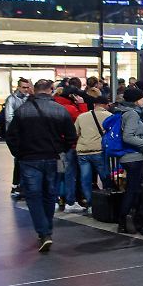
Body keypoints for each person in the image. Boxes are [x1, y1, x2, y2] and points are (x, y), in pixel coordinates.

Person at [6, 79, 76, 252]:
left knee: (33, 196)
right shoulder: (60, 110)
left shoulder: (23, 110)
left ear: (34, 91)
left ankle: (44, 232)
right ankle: (46, 230)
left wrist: (19, 153)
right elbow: (71, 137)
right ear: (51, 90)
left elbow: (11, 136)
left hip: (29, 159)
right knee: (49, 194)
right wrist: (61, 149)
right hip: (53, 157)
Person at [112, 87, 143, 234]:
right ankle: (125, 220)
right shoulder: (132, 114)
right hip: (133, 157)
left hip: (127, 157)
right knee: (133, 190)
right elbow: (128, 136)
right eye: (141, 98)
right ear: (135, 100)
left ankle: (126, 219)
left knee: (132, 189)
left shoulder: (122, 111)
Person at [53, 79, 89, 210]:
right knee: (70, 173)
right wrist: (82, 104)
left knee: (60, 172)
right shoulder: (71, 109)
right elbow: (84, 120)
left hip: (57, 146)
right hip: (69, 146)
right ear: (72, 96)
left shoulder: (54, 105)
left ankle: (59, 198)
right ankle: (70, 201)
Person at [75, 95, 113, 214]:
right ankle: (107, 200)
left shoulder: (81, 116)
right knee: (105, 177)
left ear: (94, 105)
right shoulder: (109, 116)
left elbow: (75, 132)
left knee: (85, 179)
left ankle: (90, 204)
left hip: (82, 151)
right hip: (99, 151)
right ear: (106, 105)